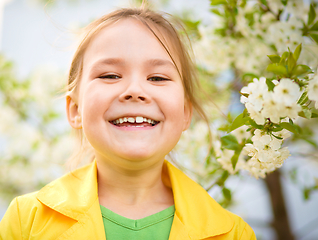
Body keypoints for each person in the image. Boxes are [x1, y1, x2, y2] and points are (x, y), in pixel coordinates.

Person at [0, 6, 256, 240]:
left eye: (157, 78)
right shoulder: (28, 221)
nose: (134, 90)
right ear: (75, 109)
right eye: (110, 75)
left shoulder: (232, 233)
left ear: (186, 112)